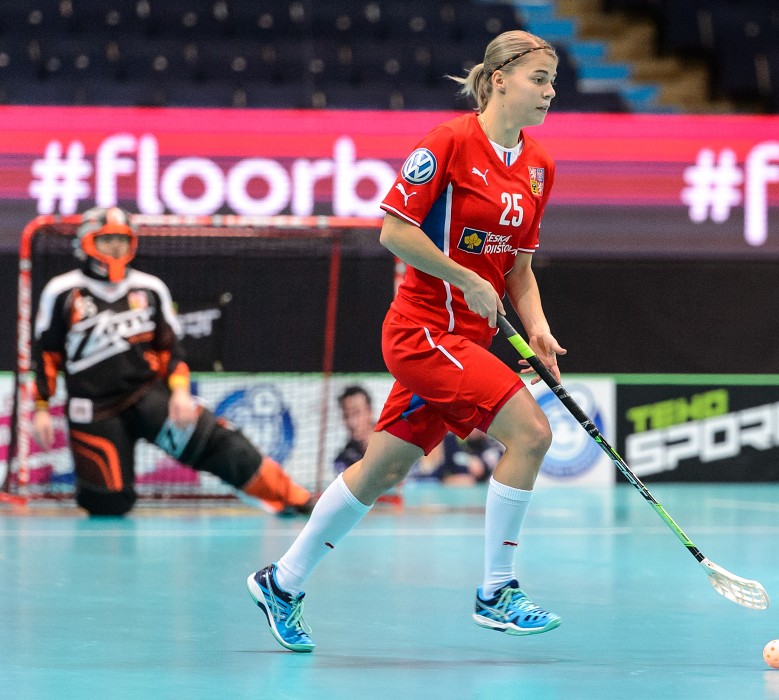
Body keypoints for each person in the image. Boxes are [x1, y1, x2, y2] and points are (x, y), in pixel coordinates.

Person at [246, 30, 564, 653]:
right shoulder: (447, 143)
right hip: (423, 332)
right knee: (532, 433)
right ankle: (497, 591)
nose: (550, 92)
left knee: (382, 467)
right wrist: (467, 277)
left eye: (553, 82)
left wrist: (540, 328)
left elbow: (520, 269)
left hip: (469, 340)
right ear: (499, 77)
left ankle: (280, 583)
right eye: (539, 79)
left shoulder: (539, 168)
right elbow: (393, 231)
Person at [31, 206, 318, 517]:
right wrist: (42, 409)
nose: (115, 248)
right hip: (92, 409)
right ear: (87, 243)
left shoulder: (150, 288)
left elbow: (172, 351)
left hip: (149, 396)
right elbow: (46, 355)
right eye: (107, 240)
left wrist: (180, 392)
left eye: (122, 240)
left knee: (224, 446)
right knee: (108, 504)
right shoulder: (62, 291)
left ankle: (294, 497)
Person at [332, 385, 374, 475]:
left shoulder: (394, 441)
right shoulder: (343, 459)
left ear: (370, 411)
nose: (351, 422)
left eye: (356, 413)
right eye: (346, 415)